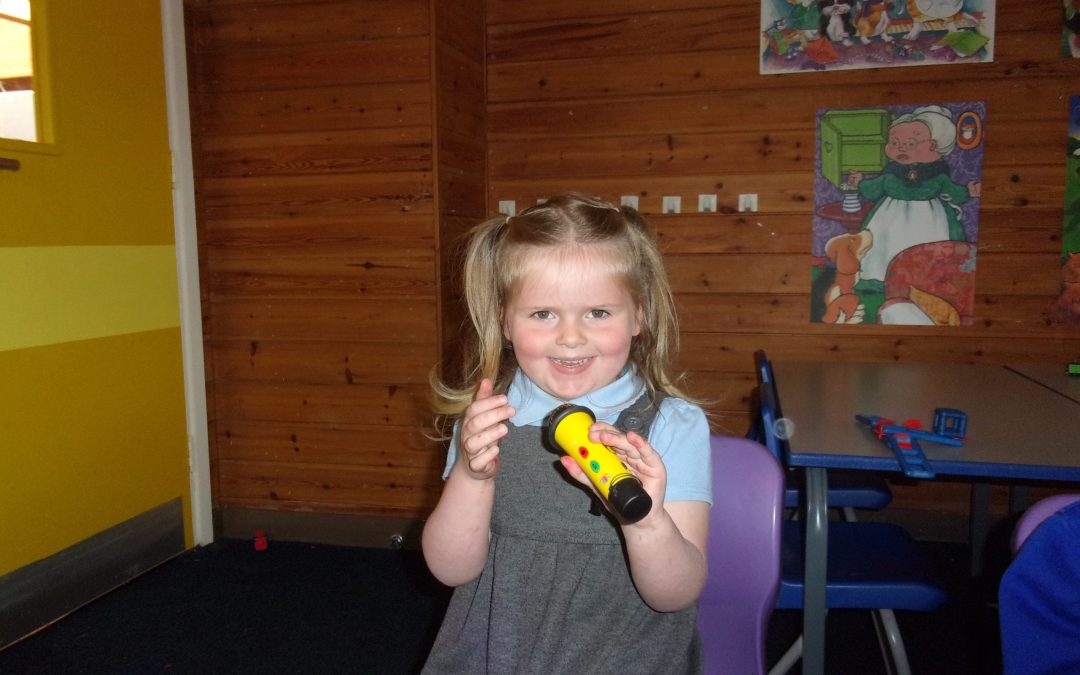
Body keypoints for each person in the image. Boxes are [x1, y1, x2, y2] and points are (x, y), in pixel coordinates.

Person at [421, 193, 712, 674]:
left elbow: (675, 595)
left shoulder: (671, 425)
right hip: (499, 657)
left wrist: (646, 521)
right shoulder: (486, 422)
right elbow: (451, 569)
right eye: (542, 314)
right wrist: (473, 479)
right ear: (504, 321)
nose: (571, 337)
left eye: (598, 312)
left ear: (639, 316)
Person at [846, 104, 981, 294]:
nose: (901, 148)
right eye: (894, 143)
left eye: (910, 144)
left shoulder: (937, 173)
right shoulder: (891, 171)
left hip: (929, 218)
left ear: (933, 146)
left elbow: (952, 190)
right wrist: (860, 183)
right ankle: (878, 279)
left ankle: (924, 283)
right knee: (884, 243)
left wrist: (968, 192)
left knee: (926, 246)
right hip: (889, 217)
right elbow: (874, 188)